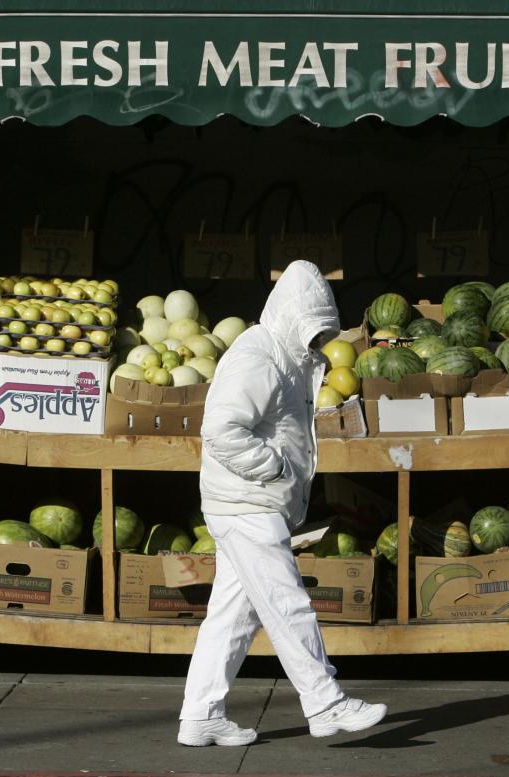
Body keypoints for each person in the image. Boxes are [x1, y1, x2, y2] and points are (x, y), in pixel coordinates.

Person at [178, 261, 387, 747]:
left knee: (233, 615)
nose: (318, 341)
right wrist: (273, 468)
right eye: (312, 328)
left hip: (250, 501)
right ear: (292, 316)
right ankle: (326, 702)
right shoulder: (258, 357)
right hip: (247, 502)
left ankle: (200, 716)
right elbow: (221, 430)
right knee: (288, 603)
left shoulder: (286, 355)